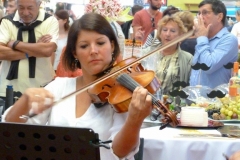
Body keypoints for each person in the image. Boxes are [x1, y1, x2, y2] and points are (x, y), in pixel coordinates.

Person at [2, 13, 153, 160]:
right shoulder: (59, 86)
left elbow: (120, 153)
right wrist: (25, 100)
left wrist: (134, 120)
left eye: (100, 43)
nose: (93, 51)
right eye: (84, 46)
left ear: (112, 46)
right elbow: (13, 131)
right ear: (74, 52)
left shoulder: (121, 94)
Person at [0, 0, 58, 101]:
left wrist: (15, 44)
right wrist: (35, 49)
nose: (25, 13)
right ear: (17, 5)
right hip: (8, 88)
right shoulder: (7, 21)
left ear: (39, 5)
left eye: (30, 8)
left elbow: (48, 50)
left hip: (42, 87)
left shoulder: (50, 21)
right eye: (21, 8)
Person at [190, 0, 238, 88]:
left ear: (219, 16)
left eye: (205, 13)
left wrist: (201, 38)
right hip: (195, 99)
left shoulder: (229, 39)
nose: (200, 17)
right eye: (199, 13)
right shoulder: (204, 39)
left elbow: (207, 66)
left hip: (215, 100)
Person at [141, 14, 193, 95]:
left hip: (173, 104)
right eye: (164, 30)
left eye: (173, 31)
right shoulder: (146, 53)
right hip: (147, 101)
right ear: (160, 33)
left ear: (180, 35)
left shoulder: (188, 58)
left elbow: (189, 88)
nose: (167, 34)